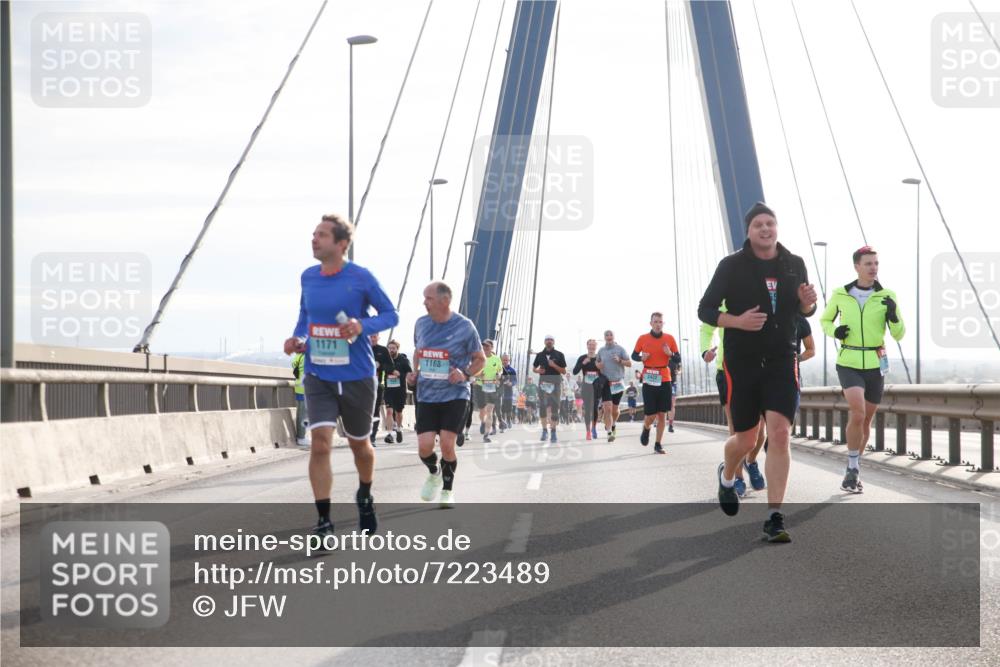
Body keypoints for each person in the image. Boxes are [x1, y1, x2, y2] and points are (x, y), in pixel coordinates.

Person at [698, 201, 817, 543]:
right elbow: (705, 309)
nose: (765, 229)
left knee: (779, 435)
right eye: (758, 225)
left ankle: (774, 516)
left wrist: (808, 302)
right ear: (748, 232)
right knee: (747, 438)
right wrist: (736, 322)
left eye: (770, 223)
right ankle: (728, 474)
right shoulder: (731, 266)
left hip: (782, 360)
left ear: (776, 228)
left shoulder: (794, 263)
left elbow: (804, 308)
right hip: (743, 362)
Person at [283, 213, 398, 538]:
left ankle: (364, 494)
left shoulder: (361, 278)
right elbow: (305, 315)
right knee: (320, 444)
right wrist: (299, 339)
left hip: (357, 376)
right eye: (313, 233)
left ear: (341, 244)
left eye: (321, 235)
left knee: (360, 445)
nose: (314, 239)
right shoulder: (308, 276)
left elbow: (391, 313)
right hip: (318, 374)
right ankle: (324, 521)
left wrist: (363, 325)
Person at [820, 245, 905, 494]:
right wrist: (834, 331)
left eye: (876, 263)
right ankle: (852, 467)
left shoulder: (887, 295)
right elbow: (825, 320)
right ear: (857, 266)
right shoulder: (840, 294)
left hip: (875, 363)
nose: (873, 268)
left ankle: (853, 467)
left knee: (866, 419)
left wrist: (894, 316)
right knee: (857, 412)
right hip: (849, 361)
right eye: (868, 264)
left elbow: (899, 334)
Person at [407, 282, 485, 508]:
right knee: (424, 446)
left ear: (444, 301)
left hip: (455, 394)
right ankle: (434, 472)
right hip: (427, 395)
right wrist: (415, 373)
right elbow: (418, 352)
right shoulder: (421, 324)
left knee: (448, 445)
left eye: (428, 298)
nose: (424, 302)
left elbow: (480, 359)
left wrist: (465, 373)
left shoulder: (465, 326)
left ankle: (447, 491)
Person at [701, 302, 766, 496]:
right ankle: (737, 477)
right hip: (728, 369)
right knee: (737, 428)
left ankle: (751, 461)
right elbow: (706, 327)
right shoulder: (724, 298)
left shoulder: (764, 293)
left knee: (761, 428)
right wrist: (705, 351)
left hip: (762, 368)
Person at [632, 313, 680, 454]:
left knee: (662, 414)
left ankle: (658, 444)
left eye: (660, 322)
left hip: (665, 378)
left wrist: (670, 353)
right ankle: (646, 428)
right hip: (649, 377)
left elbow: (678, 358)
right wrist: (642, 357)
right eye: (655, 321)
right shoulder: (643, 338)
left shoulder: (669, 339)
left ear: (663, 323)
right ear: (651, 323)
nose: (658, 324)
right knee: (651, 415)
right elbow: (633, 355)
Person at [595, 330, 631, 442]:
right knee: (608, 408)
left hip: (618, 383)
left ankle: (613, 424)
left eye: (611, 335)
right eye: (607, 335)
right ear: (604, 337)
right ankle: (609, 432)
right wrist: (598, 365)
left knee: (615, 410)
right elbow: (597, 363)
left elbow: (629, 363)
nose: (609, 337)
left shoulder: (620, 349)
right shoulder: (601, 351)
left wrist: (620, 360)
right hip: (606, 383)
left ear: (614, 337)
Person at [532, 335, 568, 442]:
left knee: (554, 408)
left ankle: (553, 432)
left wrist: (554, 366)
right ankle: (544, 431)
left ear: (554, 342)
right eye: (547, 340)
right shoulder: (539, 355)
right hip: (543, 384)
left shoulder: (559, 354)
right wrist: (538, 371)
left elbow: (564, 371)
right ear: (544, 342)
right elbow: (534, 368)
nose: (549, 341)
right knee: (542, 407)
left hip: (556, 384)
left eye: (551, 340)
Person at [382, 339, 412, 444]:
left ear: (397, 349)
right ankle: (390, 434)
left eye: (393, 348)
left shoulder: (403, 360)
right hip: (388, 389)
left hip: (400, 390)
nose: (391, 350)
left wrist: (400, 374)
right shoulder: (385, 360)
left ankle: (398, 429)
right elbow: (380, 369)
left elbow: (409, 373)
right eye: (389, 348)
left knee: (398, 412)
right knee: (389, 411)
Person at [475, 340, 503, 443]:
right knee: (482, 410)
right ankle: (482, 422)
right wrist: (478, 374)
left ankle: (486, 435)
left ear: (492, 347)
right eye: (483, 346)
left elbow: (500, 370)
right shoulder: (479, 358)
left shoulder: (496, 359)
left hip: (492, 386)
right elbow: (473, 371)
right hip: (480, 386)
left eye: (487, 346)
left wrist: (499, 374)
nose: (485, 347)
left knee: (490, 411)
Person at [572, 340, 601, 440]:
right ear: (587, 346)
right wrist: (583, 363)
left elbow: (604, 371)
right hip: (586, 386)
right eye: (590, 345)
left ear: (596, 347)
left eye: (594, 345)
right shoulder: (582, 358)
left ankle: (594, 428)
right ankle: (588, 431)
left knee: (595, 408)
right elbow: (575, 371)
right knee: (588, 409)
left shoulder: (599, 357)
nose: (592, 347)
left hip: (597, 386)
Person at [369, 333, 393, 445]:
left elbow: (390, 367)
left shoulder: (383, 350)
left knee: (375, 410)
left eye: (374, 336)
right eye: (370, 336)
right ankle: (362, 435)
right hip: (361, 384)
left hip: (377, 384)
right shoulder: (361, 347)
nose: (372, 338)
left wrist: (380, 366)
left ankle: (372, 437)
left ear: (378, 337)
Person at [291, 351, 309, 447]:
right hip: (305, 388)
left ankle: (302, 436)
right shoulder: (307, 355)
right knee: (302, 414)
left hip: (299, 387)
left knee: (302, 413)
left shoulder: (299, 355)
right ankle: (301, 438)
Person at [500, 353, 517, 430]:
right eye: (504, 360)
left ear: (509, 360)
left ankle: (509, 420)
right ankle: (503, 423)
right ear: (501, 360)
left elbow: (515, 381)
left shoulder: (512, 370)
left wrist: (511, 383)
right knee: (502, 409)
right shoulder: (498, 368)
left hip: (509, 393)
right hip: (500, 392)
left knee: (509, 409)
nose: (505, 361)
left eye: (506, 360)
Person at [666, 350, 682, 433]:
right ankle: (659, 422)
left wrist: (678, 372)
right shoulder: (661, 357)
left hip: (672, 383)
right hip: (662, 383)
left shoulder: (675, 358)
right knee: (661, 404)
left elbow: (680, 369)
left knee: (672, 404)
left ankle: (671, 425)